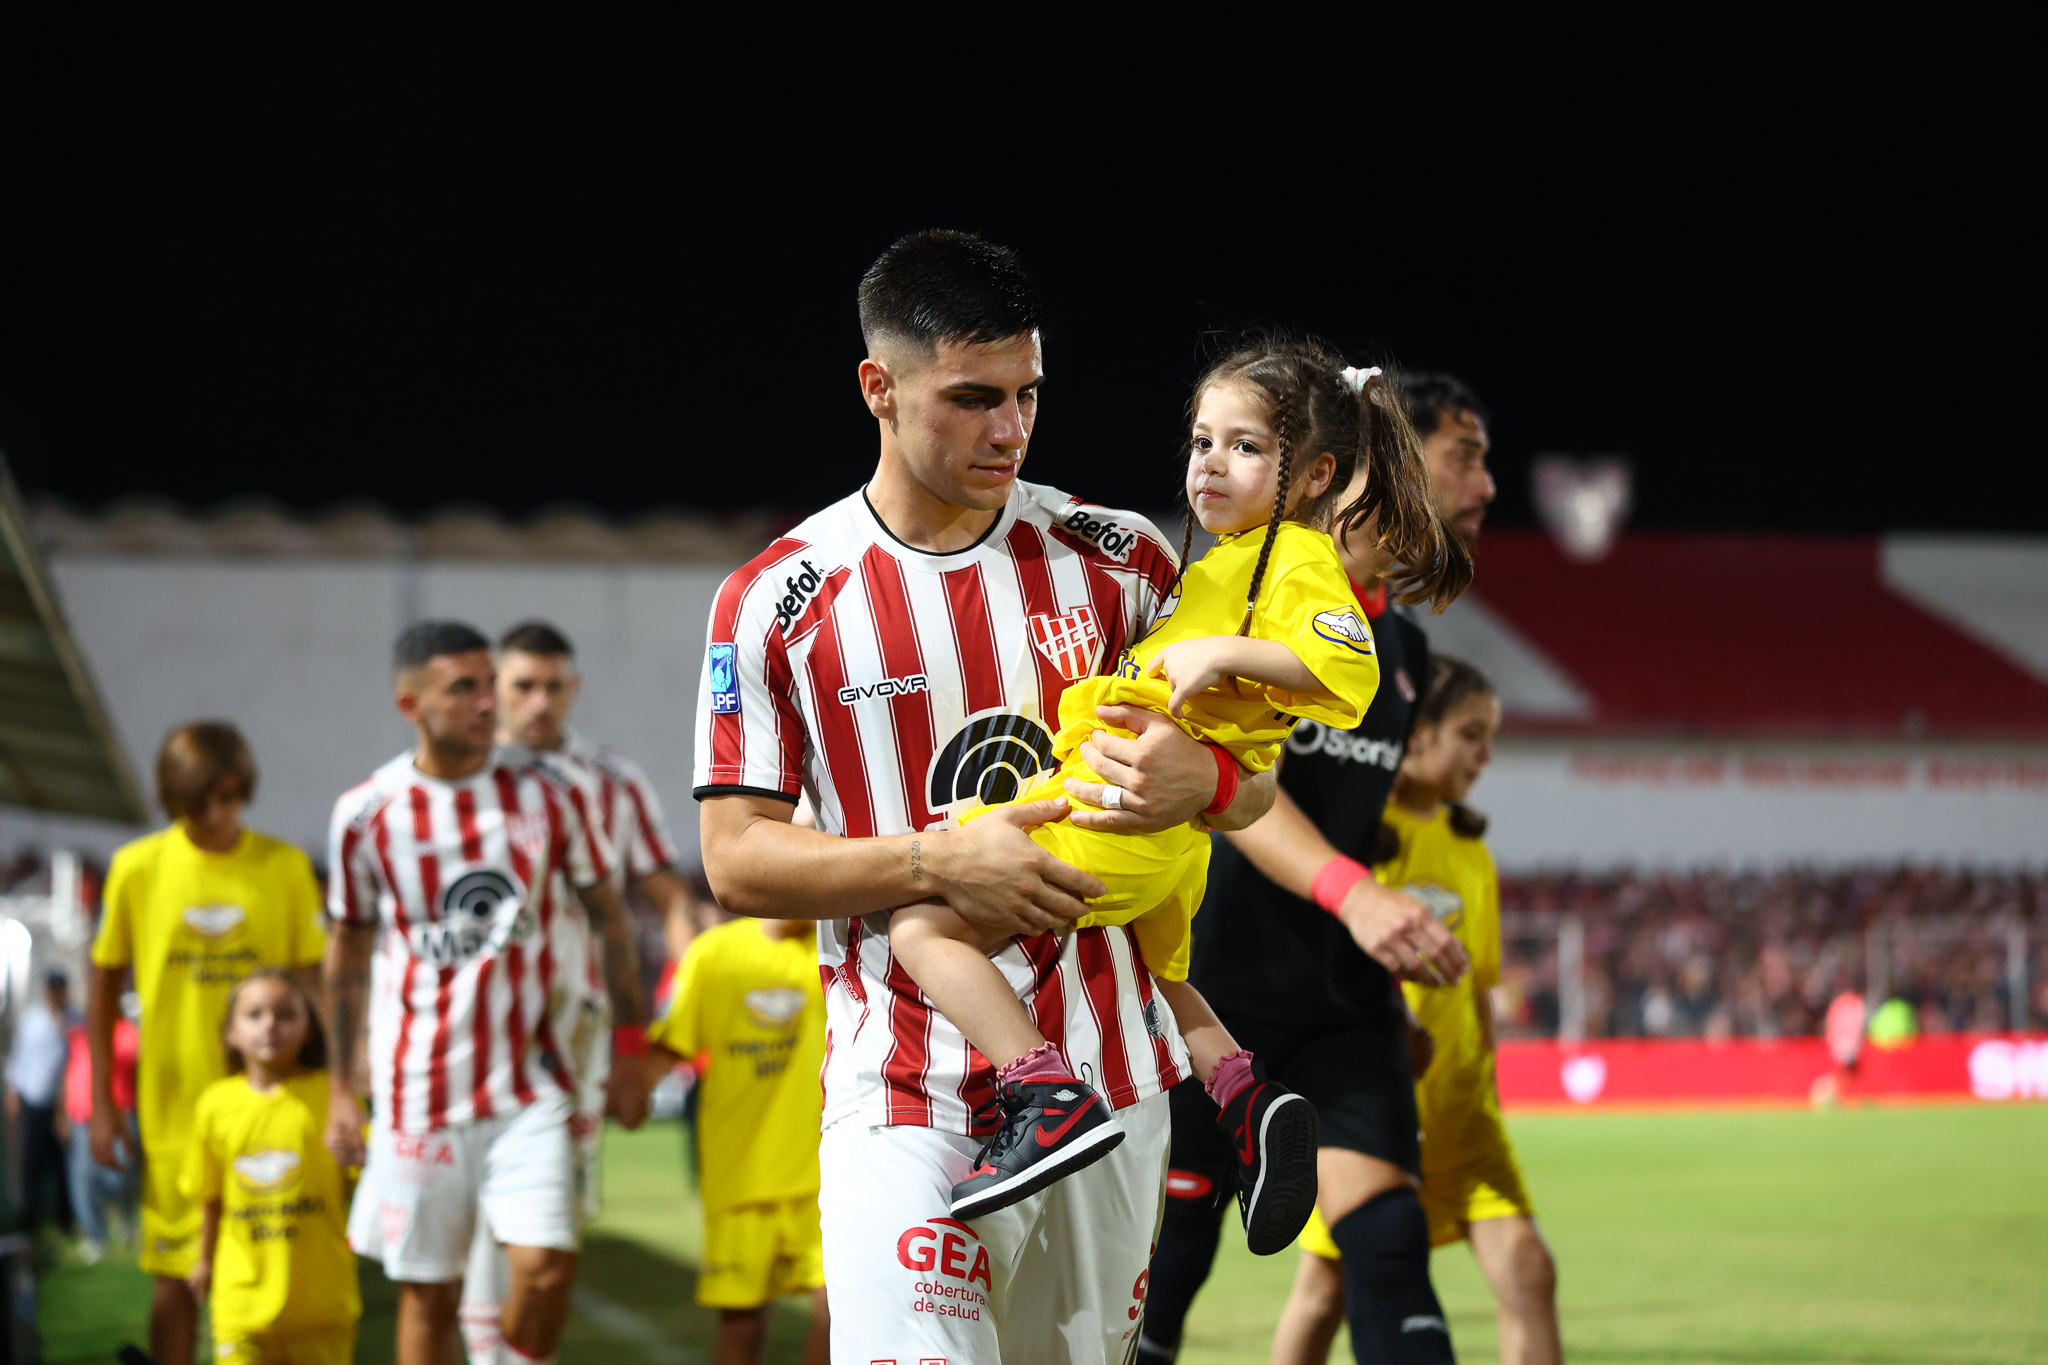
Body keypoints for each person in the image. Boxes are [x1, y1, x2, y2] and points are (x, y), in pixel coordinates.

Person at [695, 229, 1287, 1364]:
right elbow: (736, 859)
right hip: (904, 1089)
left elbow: (1255, 788)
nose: (1010, 429)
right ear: (878, 387)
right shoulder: (777, 599)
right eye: (971, 399)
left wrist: (1211, 779)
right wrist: (935, 862)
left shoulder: (1121, 561)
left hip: (1112, 1083)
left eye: (1027, 394)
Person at [890, 343, 1468, 1239]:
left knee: (922, 923)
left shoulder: (1296, 557)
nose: (1212, 464)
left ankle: (1041, 1093)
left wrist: (1224, 652)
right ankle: (1242, 1091)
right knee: (1154, 975)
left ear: (1316, 474)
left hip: (1123, 817)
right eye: (1203, 442)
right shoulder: (1235, 557)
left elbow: (1347, 670)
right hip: (1167, 840)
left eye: (1246, 446)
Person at [1140, 367, 1495, 1365]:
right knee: (1166, 1273)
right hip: (1217, 990)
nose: (1482, 485)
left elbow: (1356, 814)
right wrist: (1358, 896)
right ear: (1370, 462)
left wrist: (1394, 919)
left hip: (1342, 1002)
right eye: (1463, 457)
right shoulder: (1260, 598)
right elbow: (1229, 794)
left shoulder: (1404, 649)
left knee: (1387, 1248)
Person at [325, 620, 650, 1365]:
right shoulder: (367, 813)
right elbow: (345, 953)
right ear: (410, 703)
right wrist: (342, 1087)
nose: (484, 702)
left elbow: (609, 918)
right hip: (418, 1094)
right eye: (462, 687)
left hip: (532, 1085)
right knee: (429, 1297)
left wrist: (630, 1048)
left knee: (544, 1271)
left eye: (487, 683)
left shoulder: (552, 792)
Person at [1274, 657, 1561, 1365]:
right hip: (1374, 1112)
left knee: (1529, 1271)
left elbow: (1477, 989)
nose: (1485, 754)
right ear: (1417, 730)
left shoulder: (1470, 847)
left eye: (1490, 738)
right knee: (1326, 1292)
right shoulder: (1355, 835)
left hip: (1462, 1114)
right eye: (1470, 734)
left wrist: (1487, 1090)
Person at [459, 619, 699, 1365]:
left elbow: (671, 901)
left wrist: (662, 1035)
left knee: (551, 1233)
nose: (539, 701)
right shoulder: (459, 777)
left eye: (552, 686)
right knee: (466, 1237)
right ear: (495, 688)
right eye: (523, 685)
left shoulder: (611, 780)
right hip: (468, 1036)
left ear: (574, 688)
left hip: (576, 1040)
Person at [90, 721, 328, 1365]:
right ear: (173, 797)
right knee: (177, 1273)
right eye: (200, 802)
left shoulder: (283, 866)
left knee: (282, 1266)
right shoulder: (137, 868)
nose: (218, 814)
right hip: (176, 1111)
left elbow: (314, 985)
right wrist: (102, 1103)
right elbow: (103, 987)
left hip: (276, 1107)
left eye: (229, 798)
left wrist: (334, 1088)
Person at [644, 912, 828, 1365]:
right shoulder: (712, 954)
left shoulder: (837, 944)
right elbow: (669, 1044)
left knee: (837, 1318)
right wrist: (627, 1092)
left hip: (825, 1177)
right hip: (739, 1178)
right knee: (742, 1331)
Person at [184, 969, 361, 1365]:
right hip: (241, 1306)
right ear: (231, 1031)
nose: (270, 1025)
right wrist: (204, 1260)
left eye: (285, 1014)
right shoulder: (215, 1105)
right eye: (255, 1014)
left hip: (321, 1306)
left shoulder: (333, 1097)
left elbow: (365, 1186)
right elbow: (209, 1195)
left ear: (310, 1028)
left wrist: (358, 1155)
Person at [65, 1000, 140, 1263]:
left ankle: (126, 1216)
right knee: (83, 1179)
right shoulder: (79, 1035)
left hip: (117, 1115)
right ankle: (95, 1236)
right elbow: (70, 1073)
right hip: (80, 1118)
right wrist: (63, 1112)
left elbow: (133, 1057)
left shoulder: (124, 1030)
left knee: (119, 1176)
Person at [7, 971, 77, 1239]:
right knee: (31, 1164)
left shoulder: (74, 1019)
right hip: (34, 1101)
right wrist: (13, 1092)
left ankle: (65, 1220)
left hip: (62, 1107)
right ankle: (30, 1222)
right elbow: (18, 1057)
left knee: (62, 1166)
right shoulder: (32, 1020)